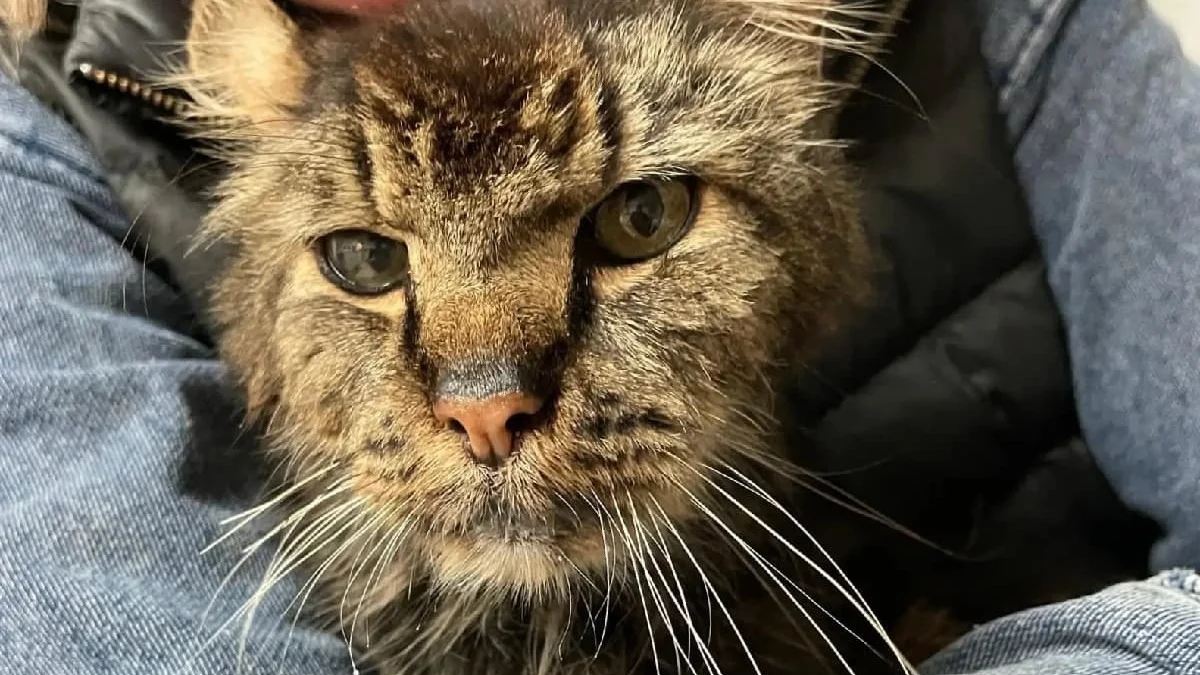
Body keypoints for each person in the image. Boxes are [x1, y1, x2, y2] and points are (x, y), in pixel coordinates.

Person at [0, 1, 1196, 674]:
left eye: (639, 217)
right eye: (366, 258)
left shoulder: (1036, 26)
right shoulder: (40, 131)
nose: (485, 396)